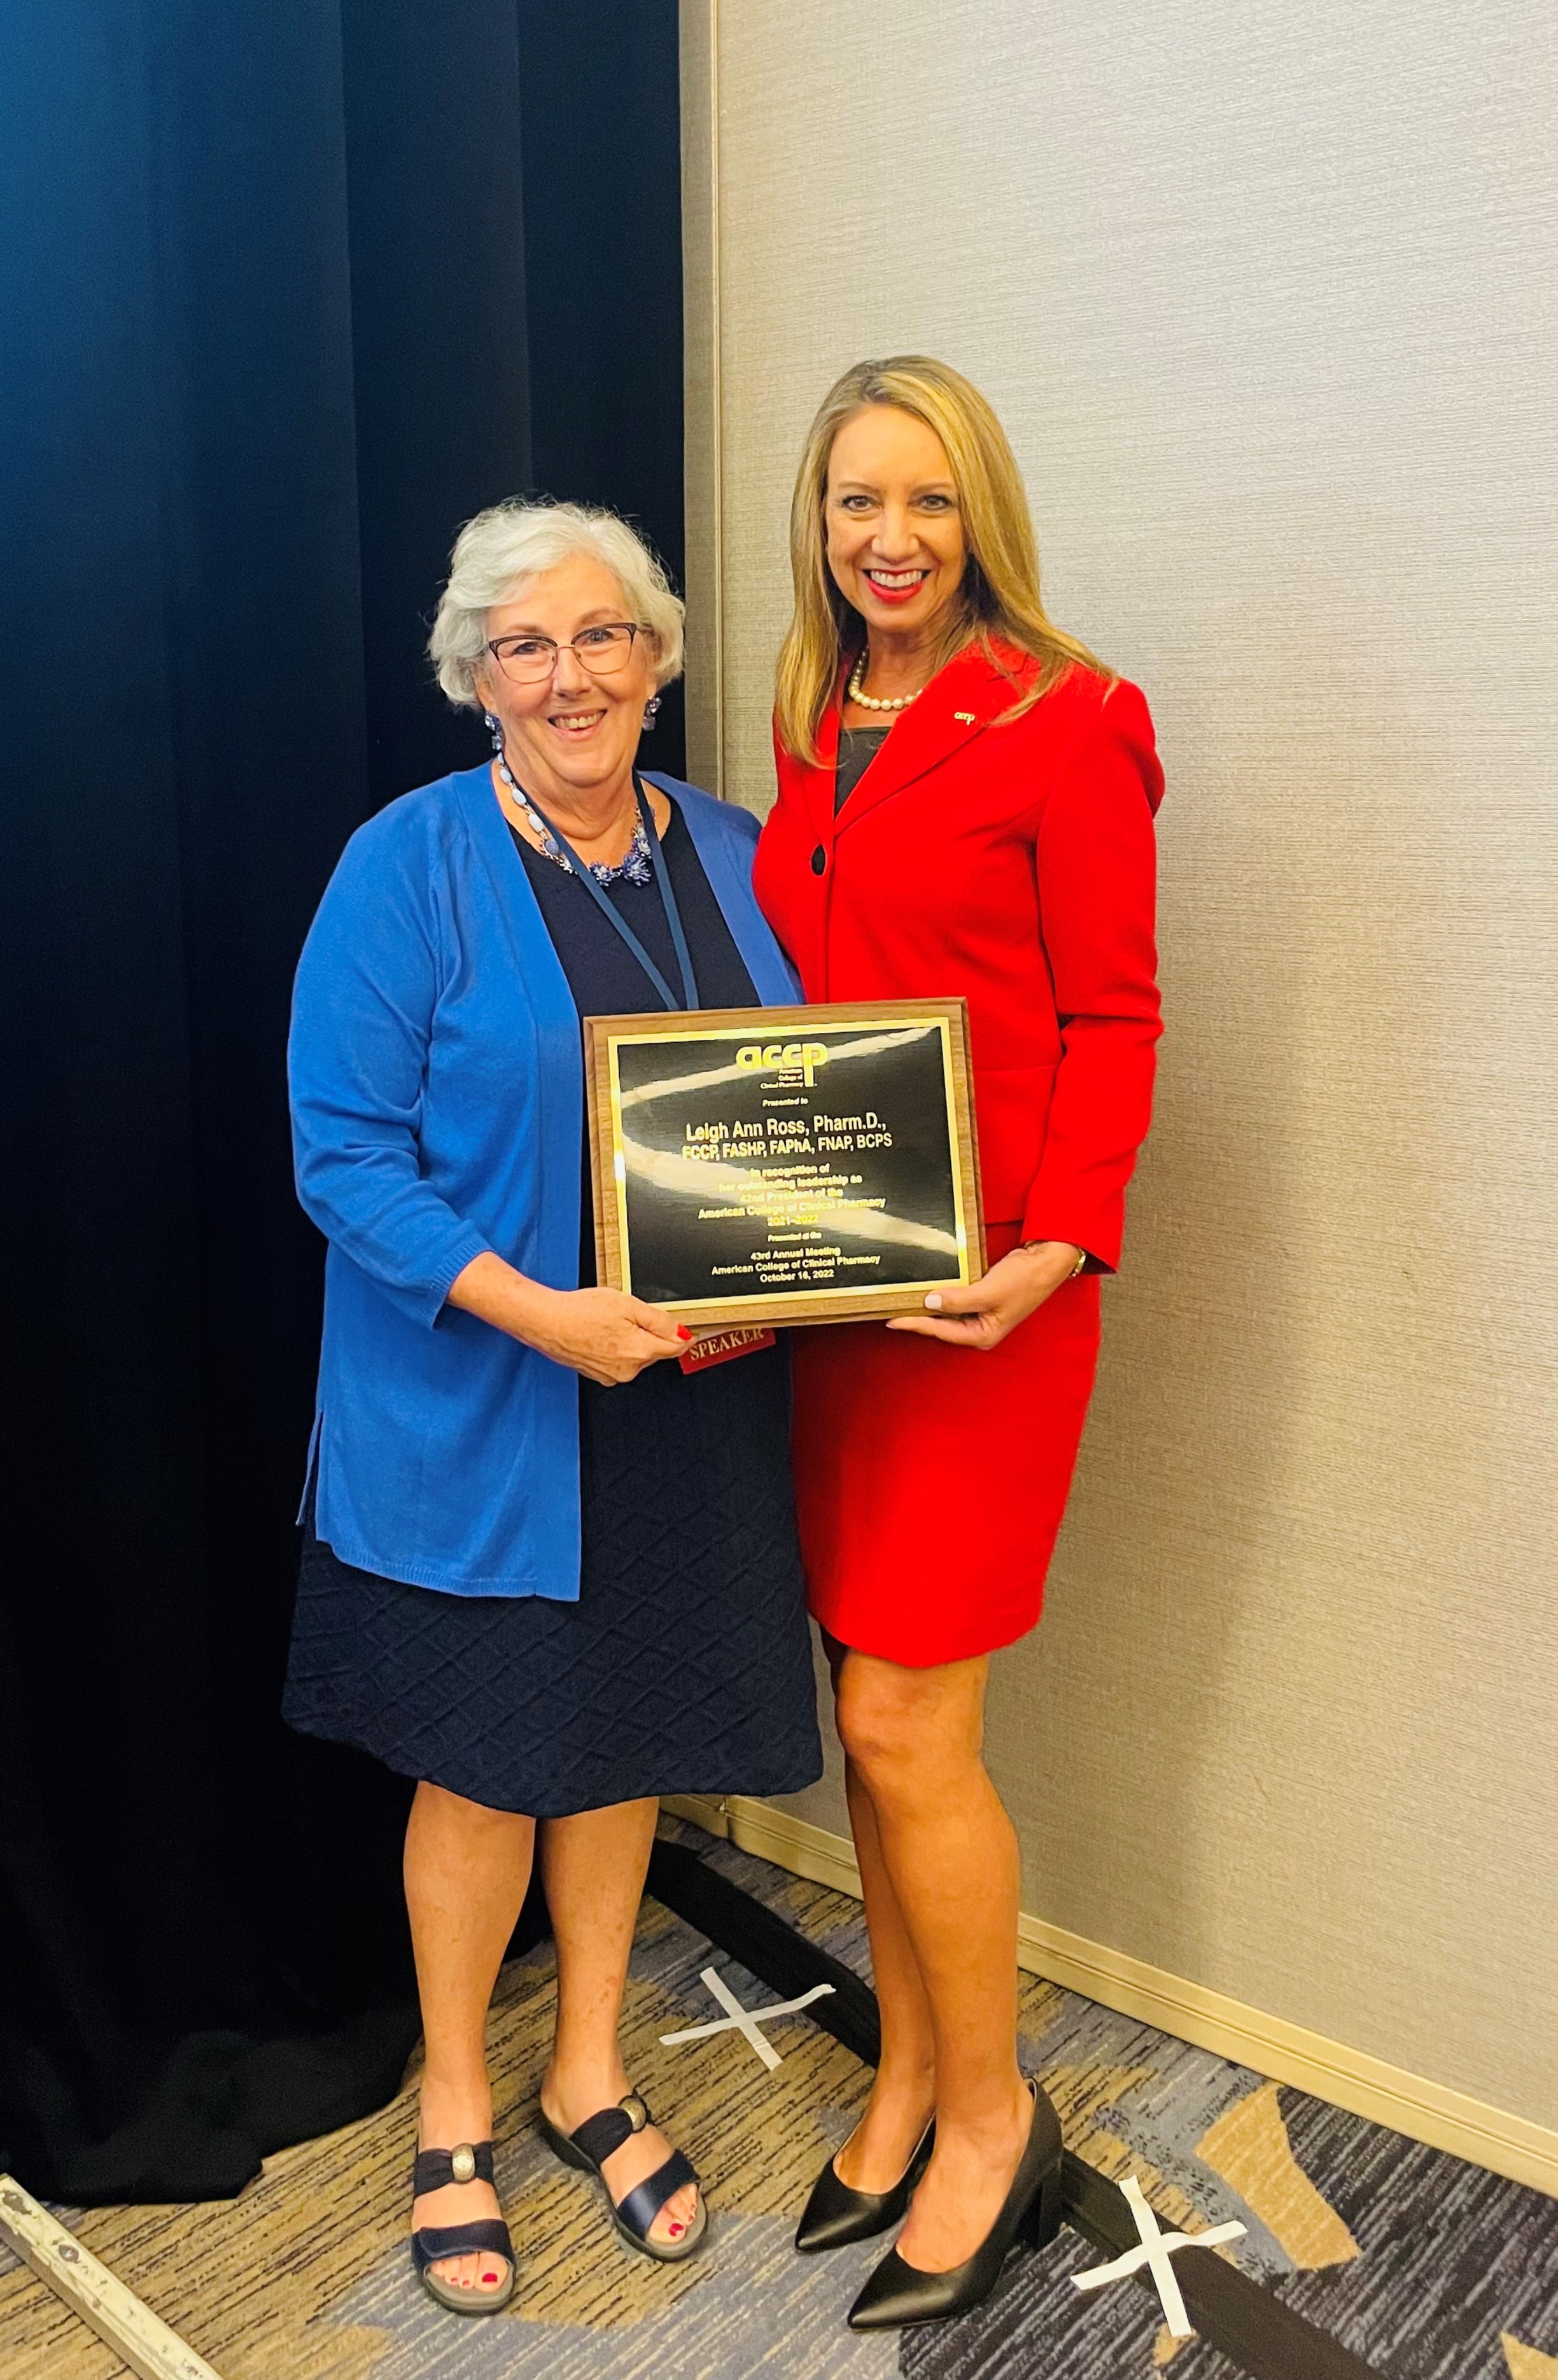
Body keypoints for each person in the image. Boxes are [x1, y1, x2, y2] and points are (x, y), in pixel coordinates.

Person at [284, 499, 821, 2316]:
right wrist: (544, 1317)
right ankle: (457, 2098)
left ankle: (588, 2061)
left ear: (655, 659)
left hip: (692, 1404)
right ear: (474, 681)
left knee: (621, 1741)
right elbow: (340, 1158)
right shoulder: (406, 865)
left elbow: (817, 1094)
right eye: (526, 645)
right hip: (489, 1411)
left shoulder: (744, 855)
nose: (569, 674)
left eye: (601, 635)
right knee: (483, 1766)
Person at [753, 358, 1163, 2331]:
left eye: (924, 501)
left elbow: (1114, 1015)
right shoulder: (807, 718)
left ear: (978, 509)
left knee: (917, 1720)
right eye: (854, 504)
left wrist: (1062, 1243)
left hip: (984, 1307)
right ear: (814, 523)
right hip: (828, 1309)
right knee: (862, 1712)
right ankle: (907, 2071)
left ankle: (994, 2119)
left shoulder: (1071, 720)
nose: (888, 541)